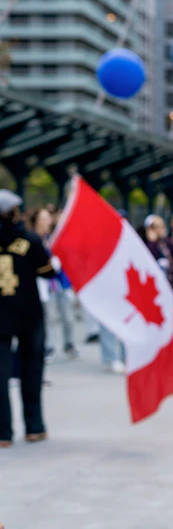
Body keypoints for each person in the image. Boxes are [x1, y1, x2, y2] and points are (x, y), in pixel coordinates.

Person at [0, 190, 55, 447]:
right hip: (29, 313)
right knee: (31, 370)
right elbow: (47, 272)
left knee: (0, 376)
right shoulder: (30, 240)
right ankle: (34, 427)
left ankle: (3, 433)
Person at [27, 208, 78, 361]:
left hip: (61, 283)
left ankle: (69, 344)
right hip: (45, 285)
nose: (47, 221)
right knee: (49, 317)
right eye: (43, 218)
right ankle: (49, 347)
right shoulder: (32, 239)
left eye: (48, 218)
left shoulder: (55, 237)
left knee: (68, 317)